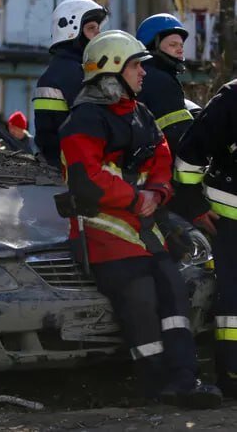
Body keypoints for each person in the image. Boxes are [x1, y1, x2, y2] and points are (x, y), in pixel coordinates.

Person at [58, 30, 222, 407]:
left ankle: (184, 380)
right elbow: (87, 181)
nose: (142, 73)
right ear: (111, 71)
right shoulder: (84, 119)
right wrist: (138, 197)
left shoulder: (140, 114)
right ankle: (154, 384)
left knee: (173, 293)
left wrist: (158, 193)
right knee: (141, 301)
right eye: (134, 66)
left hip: (145, 230)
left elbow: (161, 160)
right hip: (105, 234)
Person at [173, 79, 237, 397]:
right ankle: (232, 374)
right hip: (229, 223)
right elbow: (189, 156)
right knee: (233, 307)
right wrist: (194, 205)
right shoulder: (232, 98)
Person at [33, 0, 108, 167]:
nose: (98, 34)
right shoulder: (72, 72)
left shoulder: (64, 69)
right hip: (73, 168)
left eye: (98, 28)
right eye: (91, 28)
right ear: (72, 32)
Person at [136, 14, 192, 158]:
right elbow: (178, 133)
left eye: (181, 45)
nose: (180, 50)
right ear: (152, 46)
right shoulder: (161, 80)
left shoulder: (142, 73)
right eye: (173, 45)